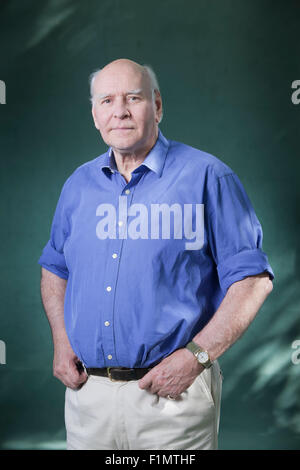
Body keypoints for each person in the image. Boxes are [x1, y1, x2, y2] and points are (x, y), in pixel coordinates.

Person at [38, 58, 274, 450]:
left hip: (172, 398)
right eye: (107, 100)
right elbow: (55, 268)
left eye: (133, 97)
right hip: (88, 399)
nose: (121, 111)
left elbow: (252, 281)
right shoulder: (77, 186)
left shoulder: (208, 177)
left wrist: (196, 357)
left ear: (158, 106)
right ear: (95, 115)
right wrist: (61, 342)